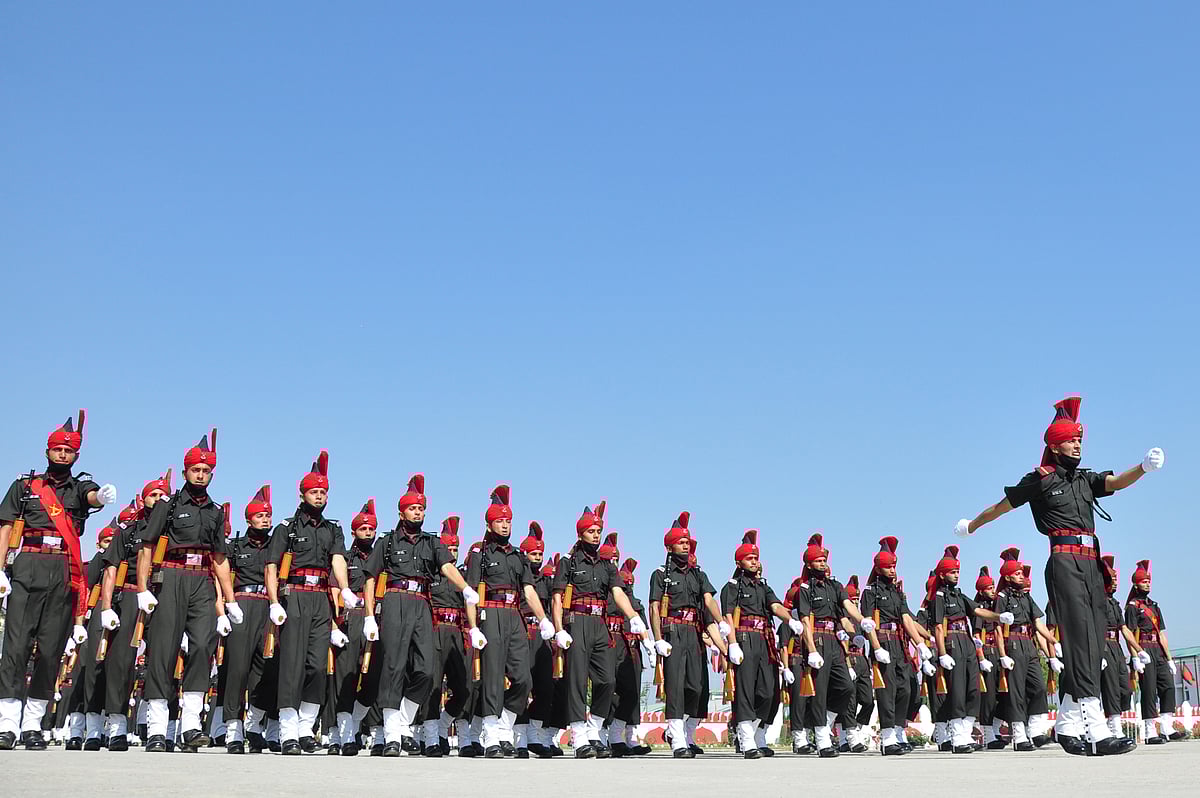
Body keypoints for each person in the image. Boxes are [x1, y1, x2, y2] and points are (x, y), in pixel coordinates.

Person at [955, 396, 1163, 756]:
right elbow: (999, 508)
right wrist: (972, 525)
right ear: (1054, 445)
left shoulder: (1084, 479)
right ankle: (1096, 730)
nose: (1078, 445)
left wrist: (1142, 467)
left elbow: (1115, 482)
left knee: (1094, 643)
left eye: (1080, 439)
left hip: (1091, 563)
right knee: (1081, 641)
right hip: (1064, 561)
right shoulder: (1040, 480)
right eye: (1071, 440)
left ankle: (1067, 722)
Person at [0, 412, 118, 751]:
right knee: (16, 647)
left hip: (63, 570)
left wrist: (101, 497)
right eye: (57, 450)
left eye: (69, 451)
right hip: (28, 566)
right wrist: (1, 569)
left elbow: (92, 497)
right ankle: (7, 722)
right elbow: (6, 526)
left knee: (51, 651)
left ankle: (33, 724)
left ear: (76, 455)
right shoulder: (25, 486)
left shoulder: (79, 487)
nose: (63, 455)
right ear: (47, 451)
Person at [361, 475, 476, 756]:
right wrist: (368, 616)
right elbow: (369, 579)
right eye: (413, 509)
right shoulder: (387, 542)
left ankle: (401, 721)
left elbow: (447, 566)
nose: (418, 513)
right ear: (401, 512)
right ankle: (391, 735)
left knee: (426, 669)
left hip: (422, 604)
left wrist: (465, 588)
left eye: (421, 509)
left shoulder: (431, 543)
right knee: (393, 666)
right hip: (395, 600)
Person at [264, 451, 359, 755]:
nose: (319, 497)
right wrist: (274, 601)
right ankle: (288, 731)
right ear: (302, 494)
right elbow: (271, 566)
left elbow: (337, 559)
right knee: (291, 664)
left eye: (323, 492)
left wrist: (343, 588)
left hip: (320, 599)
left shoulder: (333, 529)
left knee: (317, 666)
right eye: (314, 492)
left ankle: (307, 728)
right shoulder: (286, 528)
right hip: (294, 596)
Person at [464, 485, 554, 758]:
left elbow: (528, 589)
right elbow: (471, 593)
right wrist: (473, 627)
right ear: (489, 523)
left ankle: (505, 725)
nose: (505, 526)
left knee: (523, 679)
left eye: (508, 521)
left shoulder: (517, 556)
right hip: (490, 613)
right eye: (500, 521)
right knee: (492, 677)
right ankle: (491, 734)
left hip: (514, 616)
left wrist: (543, 619)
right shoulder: (480, 554)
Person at [552, 505, 645, 758]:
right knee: (577, 681)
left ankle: (594, 729)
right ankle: (580, 737)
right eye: (591, 531)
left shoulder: (607, 566)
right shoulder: (568, 563)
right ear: (581, 533)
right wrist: (559, 629)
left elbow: (618, 592)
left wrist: (633, 617)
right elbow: (558, 597)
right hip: (577, 622)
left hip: (600, 625)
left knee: (607, 680)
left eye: (598, 531)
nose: (596, 535)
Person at [649, 512, 728, 759]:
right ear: (670, 545)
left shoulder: (698, 574)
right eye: (682, 541)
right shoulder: (661, 574)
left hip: (694, 633)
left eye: (688, 541)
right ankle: (678, 738)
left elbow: (708, 600)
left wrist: (721, 623)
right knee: (675, 686)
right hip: (672, 632)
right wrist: (657, 638)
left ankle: (686, 733)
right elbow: (654, 608)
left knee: (697, 687)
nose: (686, 544)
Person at [98, 471, 169, 750]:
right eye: (153, 495)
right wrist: (106, 607)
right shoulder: (127, 532)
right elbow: (111, 569)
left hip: (165, 594)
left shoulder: (171, 527)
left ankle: (156, 727)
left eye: (163, 495)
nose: (158, 499)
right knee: (121, 662)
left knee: (162, 661)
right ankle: (116, 725)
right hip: (129, 596)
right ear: (143, 498)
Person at [720, 530, 801, 759]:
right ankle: (747, 740)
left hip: (764, 640)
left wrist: (790, 620)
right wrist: (732, 643)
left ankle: (756, 734)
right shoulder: (732, 587)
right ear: (739, 562)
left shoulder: (763, 587)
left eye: (756, 558)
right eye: (750, 558)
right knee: (745, 691)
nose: (755, 562)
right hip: (744, 639)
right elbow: (728, 616)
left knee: (768, 692)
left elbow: (775, 606)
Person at [790, 533, 870, 758]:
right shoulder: (805, 590)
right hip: (816, 640)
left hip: (834, 640)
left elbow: (845, 609)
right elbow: (805, 620)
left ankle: (825, 721)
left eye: (824, 560)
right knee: (820, 691)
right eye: (818, 561)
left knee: (845, 686)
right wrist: (812, 650)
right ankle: (823, 739)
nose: (823, 563)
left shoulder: (835, 586)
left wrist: (860, 622)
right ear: (809, 564)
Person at [928, 546, 1010, 754]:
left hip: (967, 642)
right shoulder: (938, 596)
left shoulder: (959, 595)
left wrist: (998, 617)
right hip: (952, 642)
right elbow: (938, 626)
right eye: (952, 572)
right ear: (942, 574)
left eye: (957, 572)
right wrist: (942, 653)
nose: (956, 575)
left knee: (973, 690)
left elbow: (978, 611)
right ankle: (957, 737)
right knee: (957, 690)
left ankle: (965, 733)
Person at [858, 537, 931, 756]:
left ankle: (898, 731)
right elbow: (868, 622)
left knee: (906, 689)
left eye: (894, 566)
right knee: (887, 691)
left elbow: (907, 619)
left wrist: (919, 644)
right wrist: (877, 647)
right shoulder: (870, 592)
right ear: (879, 568)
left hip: (899, 643)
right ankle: (887, 737)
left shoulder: (897, 592)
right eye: (888, 566)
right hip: (883, 641)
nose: (892, 570)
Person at [218, 485, 276, 753]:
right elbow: (223, 578)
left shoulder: (276, 546)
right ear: (248, 519)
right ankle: (233, 729)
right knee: (236, 670)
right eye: (260, 516)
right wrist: (225, 609)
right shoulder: (236, 547)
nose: (265, 520)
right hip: (241, 606)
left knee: (262, 671)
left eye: (268, 516)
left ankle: (253, 726)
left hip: (267, 607)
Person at [324, 498, 377, 756]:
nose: (368, 533)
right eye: (364, 529)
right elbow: (335, 592)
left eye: (372, 529)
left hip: (375, 622)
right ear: (354, 531)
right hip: (350, 619)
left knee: (373, 681)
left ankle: (353, 724)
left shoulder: (381, 556)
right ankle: (339, 734)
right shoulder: (345, 557)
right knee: (344, 680)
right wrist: (334, 627)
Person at [992, 548, 1057, 750]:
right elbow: (996, 628)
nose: (1022, 576)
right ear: (1008, 576)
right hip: (1012, 643)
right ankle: (1019, 736)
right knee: (1016, 692)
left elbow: (1038, 623)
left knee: (1038, 686)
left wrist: (1054, 643)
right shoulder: (1002, 597)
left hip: (1028, 644)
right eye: (1018, 573)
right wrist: (1002, 655)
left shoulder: (1026, 598)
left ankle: (1036, 732)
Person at [420, 516, 472, 757]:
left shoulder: (462, 576)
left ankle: (442, 725)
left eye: (455, 549)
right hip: (434, 630)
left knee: (463, 689)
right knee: (432, 686)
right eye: (448, 549)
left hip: (457, 634)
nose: (452, 553)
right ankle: (430, 737)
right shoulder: (432, 576)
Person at [1124, 560, 1181, 743]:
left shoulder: (1154, 606)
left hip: (1158, 650)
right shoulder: (1132, 607)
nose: (1147, 584)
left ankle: (1166, 726)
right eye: (1144, 581)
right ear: (1136, 584)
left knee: (1168, 686)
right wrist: (1135, 657)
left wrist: (1170, 658)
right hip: (1144, 650)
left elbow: (1162, 634)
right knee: (1148, 690)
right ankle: (1150, 731)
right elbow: (1130, 634)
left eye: (1149, 581)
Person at [74, 518, 119, 749]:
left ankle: (111, 726)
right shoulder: (95, 562)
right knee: (91, 669)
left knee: (114, 671)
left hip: (119, 612)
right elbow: (85, 589)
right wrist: (79, 623)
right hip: (98, 615)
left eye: (114, 540)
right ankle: (89, 728)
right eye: (107, 540)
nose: (111, 544)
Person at [608, 557, 653, 757]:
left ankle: (628, 736)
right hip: (612, 643)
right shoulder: (609, 593)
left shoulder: (634, 602)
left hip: (631, 649)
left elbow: (642, 626)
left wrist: (649, 644)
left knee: (632, 694)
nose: (628, 585)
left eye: (630, 583)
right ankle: (607, 735)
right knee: (609, 691)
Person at [516, 521, 552, 757]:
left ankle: (535, 734)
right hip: (520, 633)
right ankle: (519, 738)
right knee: (522, 684)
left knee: (545, 687)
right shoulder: (518, 577)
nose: (537, 558)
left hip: (541, 636)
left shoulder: (547, 581)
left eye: (540, 553)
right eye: (533, 553)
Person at [1098, 555, 1141, 741]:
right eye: (1112, 578)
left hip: (1116, 646)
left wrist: (1139, 651)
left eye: (1116, 579)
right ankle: (1114, 727)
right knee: (1110, 687)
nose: (1115, 582)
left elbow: (1124, 629)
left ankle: (1113, 721)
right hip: (1104, 645)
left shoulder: (1115, 603)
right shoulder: (1097, 602)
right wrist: (1098, 652)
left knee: (1125, 688)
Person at [972, 566, 1004, 749]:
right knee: (989, 696)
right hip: (986, 654)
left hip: (997, 653)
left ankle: (996, 729)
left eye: (993, 586)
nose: (994, 590)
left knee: (1002, 696)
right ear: (982, 591)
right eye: (990, 588)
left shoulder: (994, 607)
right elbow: (977, 635)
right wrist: (982, 657)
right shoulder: (981, 608)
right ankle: (988, 734)